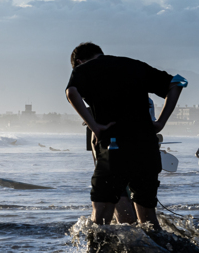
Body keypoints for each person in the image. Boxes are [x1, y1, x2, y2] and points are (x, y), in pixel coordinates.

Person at [65, 42, 185, 229]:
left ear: (79, 61)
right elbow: (177, 83)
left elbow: (71, 92)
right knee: (148, 219)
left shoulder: (84, 69)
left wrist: (94, 126)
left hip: (115, 147)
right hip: (147, 147)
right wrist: (161, 122)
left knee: (101, 219)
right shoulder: (134, 65)